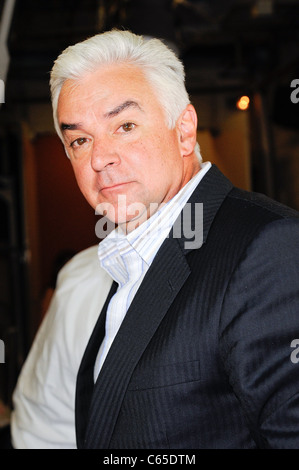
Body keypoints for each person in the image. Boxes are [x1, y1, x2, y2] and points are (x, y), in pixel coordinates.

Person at [12, 29, 299, 449]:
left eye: (125, 125)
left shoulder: (266, 248)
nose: (99, 158)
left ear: (184, 131)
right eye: (79, 140)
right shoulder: (127, 262)